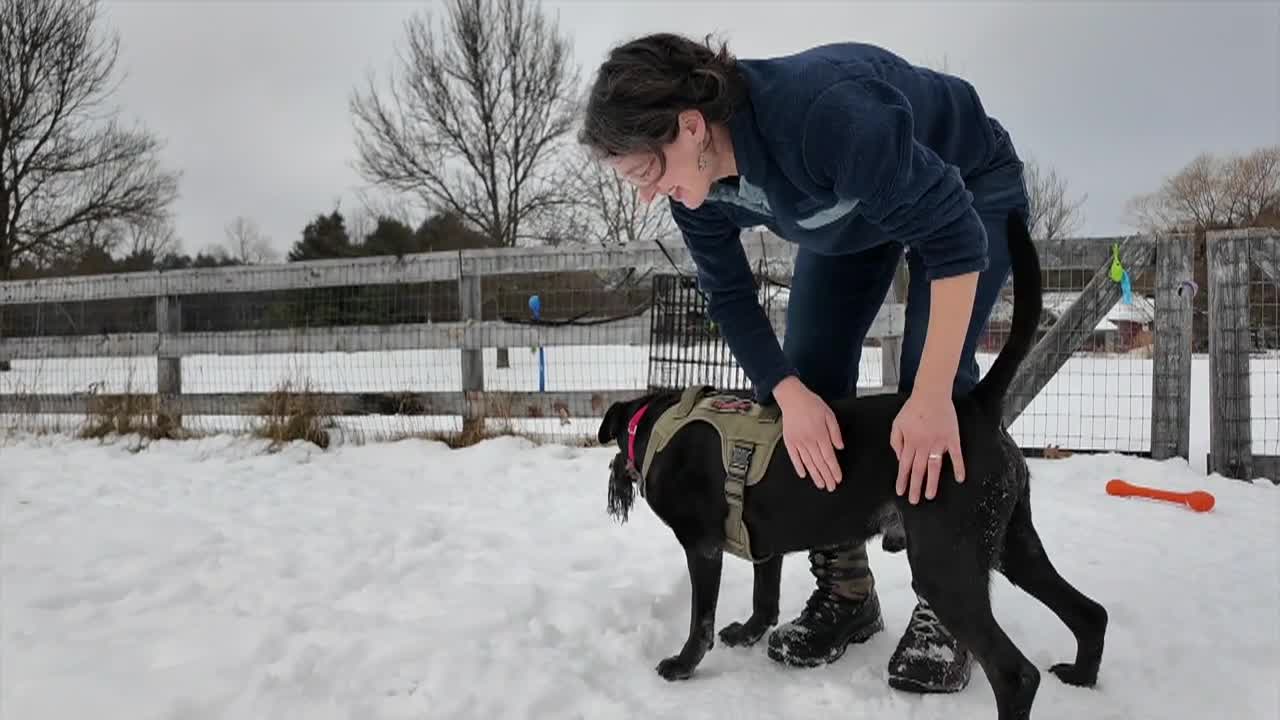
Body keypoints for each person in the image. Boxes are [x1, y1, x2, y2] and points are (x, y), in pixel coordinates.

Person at [578, 33, 1030, 694]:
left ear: (690, 126)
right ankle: (848, 592)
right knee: (809, 382)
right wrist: (787, 392)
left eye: (647, 173)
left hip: (965, 190)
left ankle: (947, 607)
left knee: (935, 399)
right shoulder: (696, 189)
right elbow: (729, 295)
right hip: (849, 214)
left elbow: (953, 236)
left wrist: (931, 397)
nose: (651, 196)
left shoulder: (824, 117)